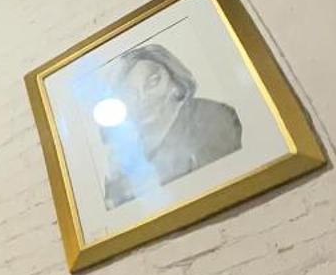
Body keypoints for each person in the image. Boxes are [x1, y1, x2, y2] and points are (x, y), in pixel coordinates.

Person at [103, 42, 242, 208]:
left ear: (175, 82)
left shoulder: (212, 116)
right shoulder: (124, 149)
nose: (143, 98)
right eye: (130, 93)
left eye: (152, 83)